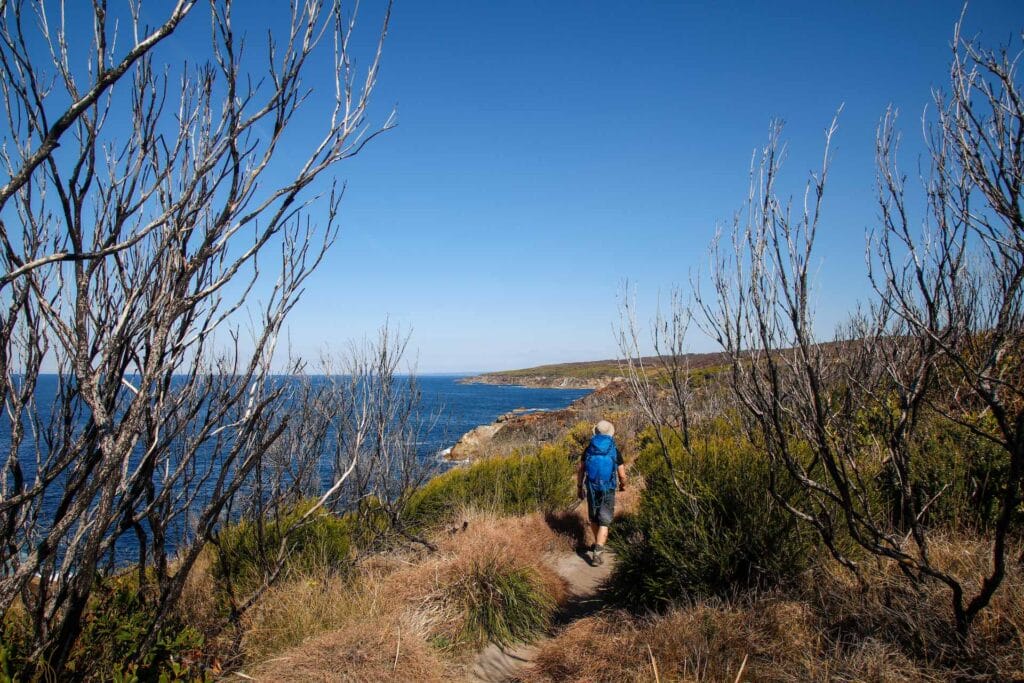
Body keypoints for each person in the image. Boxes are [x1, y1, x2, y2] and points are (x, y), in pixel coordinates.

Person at [577, 419, 626, 566]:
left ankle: (597, 543)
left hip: (592, 487)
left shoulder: (588, 449)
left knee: (594, 518)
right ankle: (598, 551)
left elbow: (581, 470)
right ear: (610, 433)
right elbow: (622, 474)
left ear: (596, 432)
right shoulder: (614, 450)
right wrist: (623, 485)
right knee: (605, 520)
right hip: (608, 488)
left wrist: (579, 487)